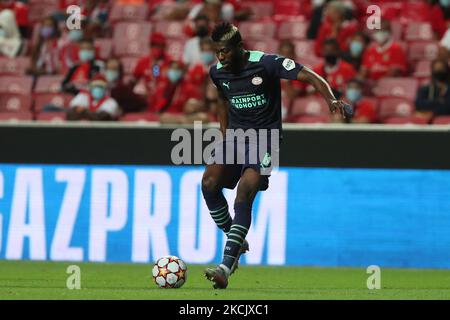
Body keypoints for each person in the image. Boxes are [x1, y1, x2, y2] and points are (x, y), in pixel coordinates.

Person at [202, 22, 349, 289]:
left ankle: (225, 265)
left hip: (265, 139)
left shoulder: (267, 64)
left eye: (224, 51)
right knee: (208, 184)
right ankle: (235, 238)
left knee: (244, 193)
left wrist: (331, 99)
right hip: (236, 139)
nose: (220, 57)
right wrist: (224, 139)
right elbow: (222, 102)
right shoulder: (218, 73)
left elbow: (310, 75)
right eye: (217, 52)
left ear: (238, 47)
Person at [130, 32, 172, 109]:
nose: (157, 48)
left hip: (166, 98)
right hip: (148, 98)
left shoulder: (169, 62)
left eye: (160, 46)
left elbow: (158, 78)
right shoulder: (143, 62)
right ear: (150, 46)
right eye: (154, 45)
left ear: (164, 47)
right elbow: (133, 81)